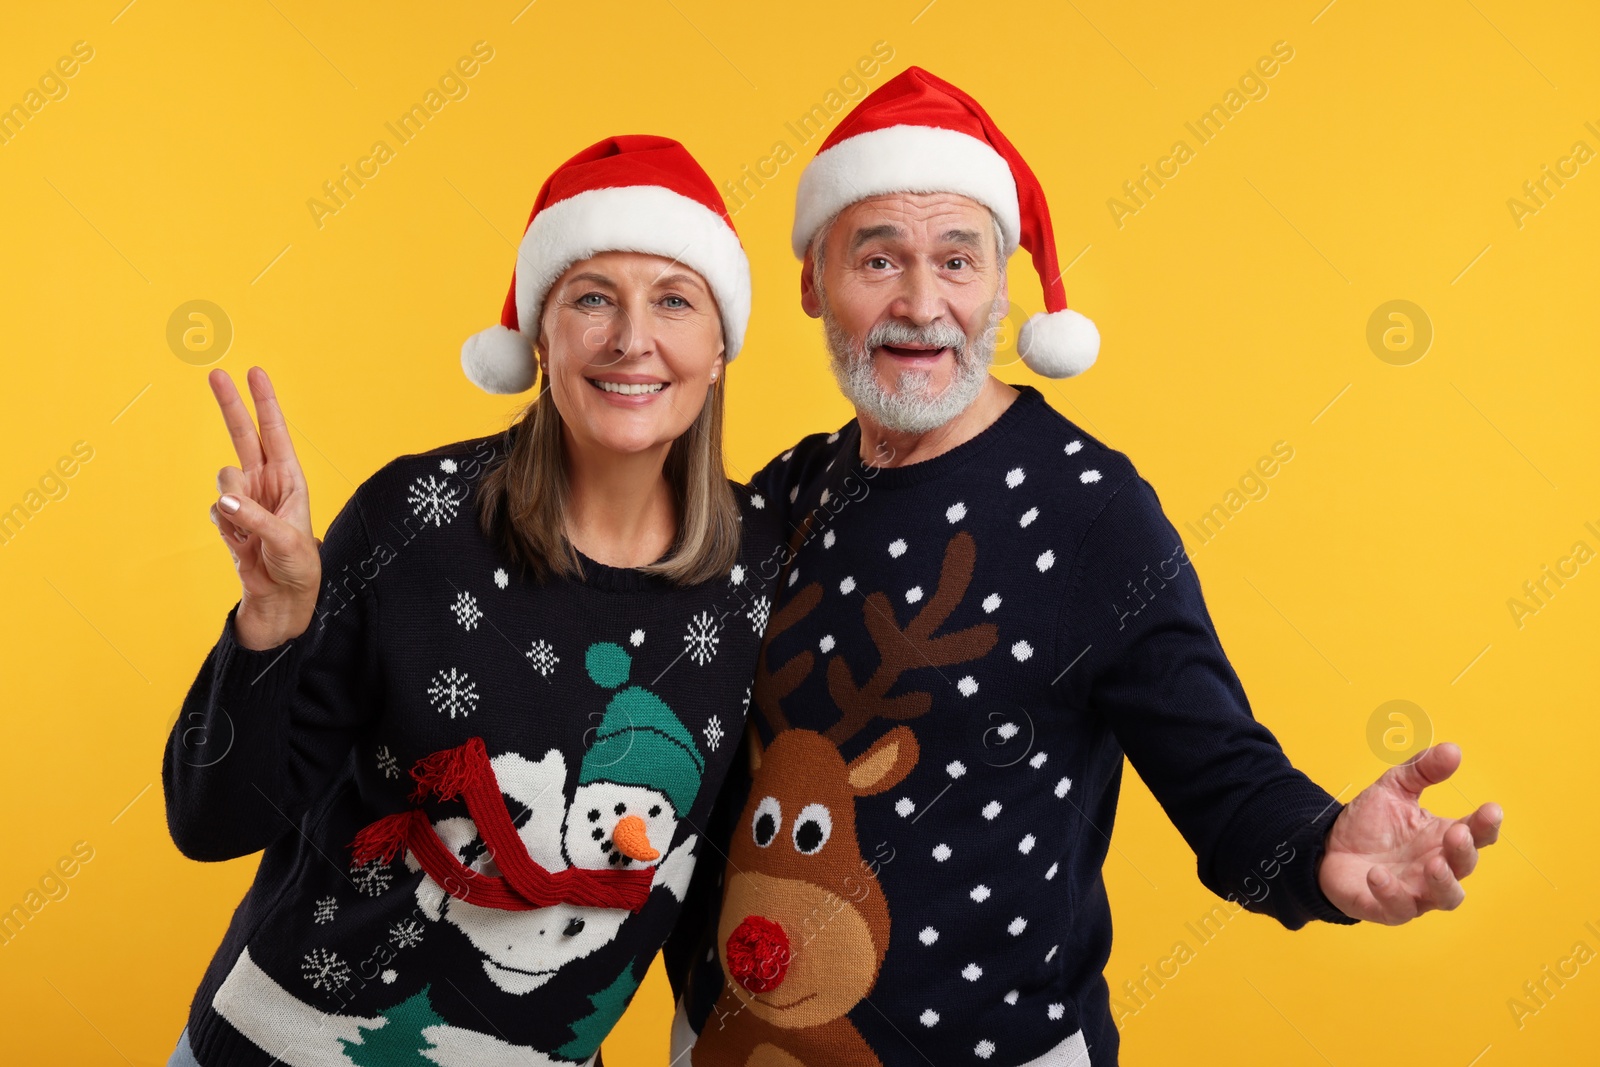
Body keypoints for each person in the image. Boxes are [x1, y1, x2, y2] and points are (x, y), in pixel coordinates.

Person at [665, 68, 1505, 1067]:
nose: (921, 305)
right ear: (811, 282)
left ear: (1003, 286)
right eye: (878, 260)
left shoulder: (1087, 508)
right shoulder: (788, 491)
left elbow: (1224, 778)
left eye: (957, 261)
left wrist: (1323, 850)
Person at [161, 134, 780, 1067]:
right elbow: (210, 824)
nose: (631, 338)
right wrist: (274, 625)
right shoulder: (417, 519)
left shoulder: (756, 576)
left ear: (720, 345)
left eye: (674, 300)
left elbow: (701, 882)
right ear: (541, 334)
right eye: (593, 297)